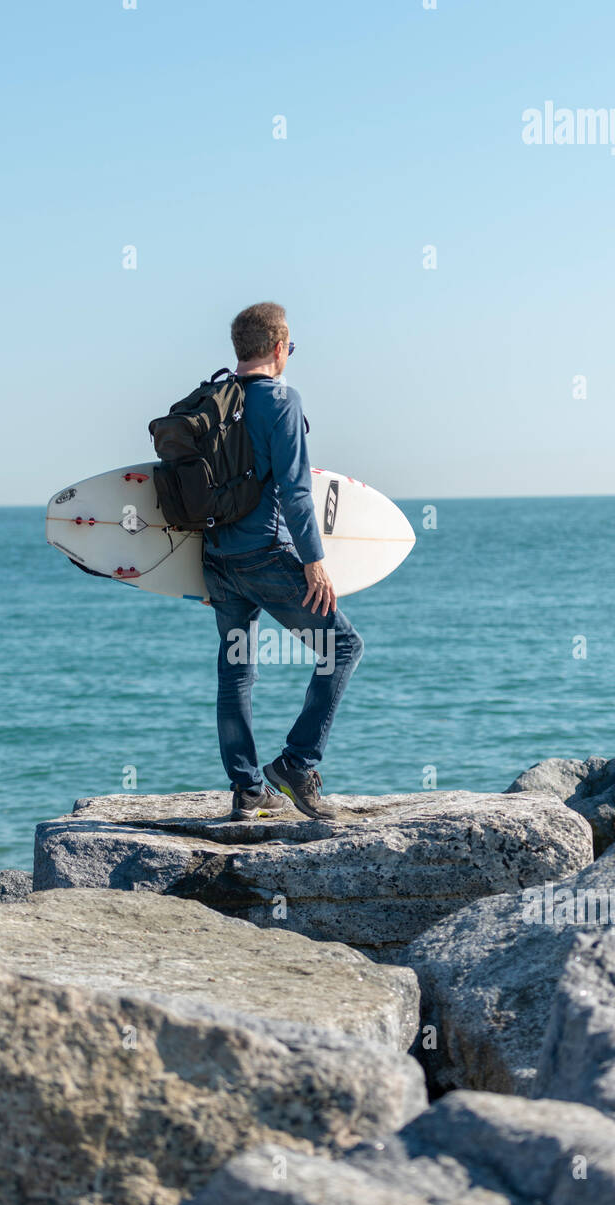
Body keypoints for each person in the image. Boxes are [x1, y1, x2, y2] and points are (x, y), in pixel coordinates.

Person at [202, 301, 364, 821]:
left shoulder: (212, 400)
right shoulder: (281, 402)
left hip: (217, 559)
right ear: (279, 348)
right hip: (265, 556)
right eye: (289, 347)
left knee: (237, 670)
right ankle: (297, 763)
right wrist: (314, 562)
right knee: (342, 645)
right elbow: (296, 492)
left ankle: (248, 789)